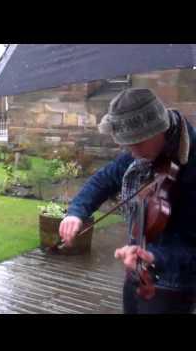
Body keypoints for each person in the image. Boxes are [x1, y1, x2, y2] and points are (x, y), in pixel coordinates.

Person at [59, 88, 196, 314]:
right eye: (127, 144)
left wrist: (155, 256)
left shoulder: (191, 168)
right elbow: (104, 179)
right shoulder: (143, 151)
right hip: (135, 268)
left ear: (158, 129)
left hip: (173, 283)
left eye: (137, 144)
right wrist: (76, 212)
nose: (131, 152)